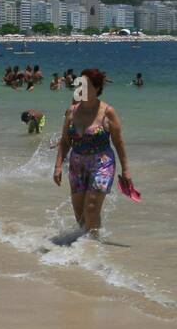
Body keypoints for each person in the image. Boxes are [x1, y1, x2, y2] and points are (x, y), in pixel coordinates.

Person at [53, 68, 130, 238]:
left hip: (102, 162)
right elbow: (65, 141)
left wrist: (126, 170)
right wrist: (58, 166)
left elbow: (118, 142)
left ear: (96, 88)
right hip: (77, 164)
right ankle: (90, 242)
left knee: (92, 207)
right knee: (81, 214)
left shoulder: (108, 112)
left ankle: (89, 247)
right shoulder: (71, 111)